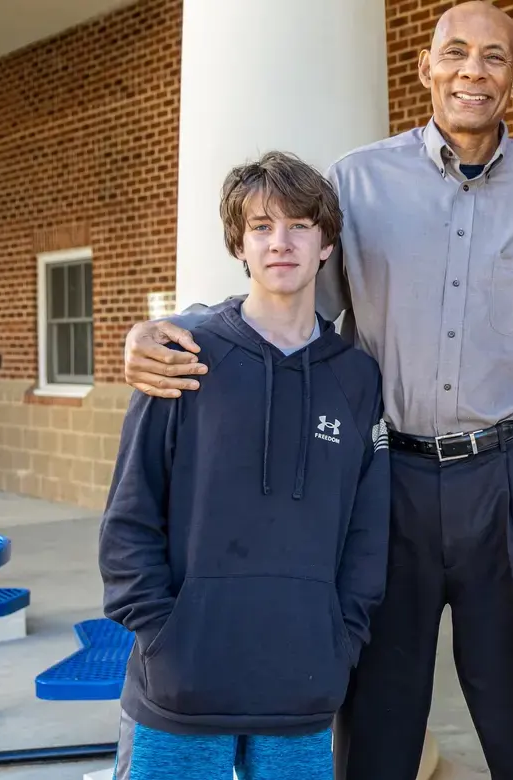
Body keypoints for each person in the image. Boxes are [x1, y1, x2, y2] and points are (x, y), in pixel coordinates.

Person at [120, 3, 513, 778]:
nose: (472, 71)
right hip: (390, 478)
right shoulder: (358, 182)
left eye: (493, 58)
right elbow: (287, 297)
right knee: (377, 712)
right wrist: (165, 328)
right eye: (455, 53)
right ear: (425, 67)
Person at [99, 152, 390, 780]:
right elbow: (131, 512)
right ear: (239, 244)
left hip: (302, 685)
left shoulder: (356, 378)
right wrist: (161, 633)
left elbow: (368, 535)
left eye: (299, 225)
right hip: (181, 685)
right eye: (261, 227)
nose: (280, 243)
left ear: (326, 243)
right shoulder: (182, 353)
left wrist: (341, 641)